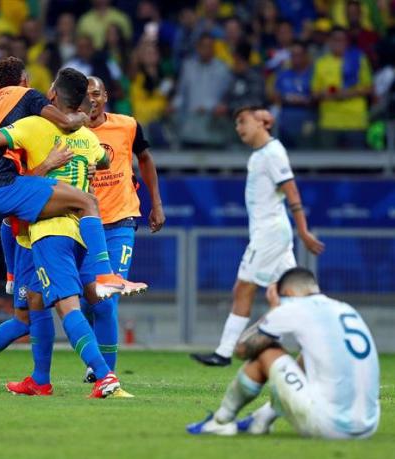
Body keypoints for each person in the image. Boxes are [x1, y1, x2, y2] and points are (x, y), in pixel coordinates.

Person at [0, 69, 125, 398]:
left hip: (48, 233)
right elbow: (106, 161)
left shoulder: (33, 125)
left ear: (51, 93)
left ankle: (106, 376)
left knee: (66, 308)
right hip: (81, 233)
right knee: (31, 309)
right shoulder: (88, 136)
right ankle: (38, 379)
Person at [0, 57, 146, 297]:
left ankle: (11, 276)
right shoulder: (33, 107)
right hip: (55, 228)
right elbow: (97, 151)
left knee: (30, 315)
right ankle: (105, 275)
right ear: (26, 81)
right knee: (87, 202)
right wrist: (81, 120)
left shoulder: (1, 109)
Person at [190, 106, 324, 367]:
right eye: (236, 123)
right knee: (292, 292)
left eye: (243, 121)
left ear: (263, 122)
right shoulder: (259, 155)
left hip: (270, 234)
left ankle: (224, 352)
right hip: (272, 232)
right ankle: (322, 342)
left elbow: (292, 192)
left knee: (243, 287)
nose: (239, 128)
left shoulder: (273, 153)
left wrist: (304, 231)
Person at [187, 267, 380, 439]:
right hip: (369, 425)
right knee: (308, 357)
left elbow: (242, 349)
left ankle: (221, 421)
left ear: (287, 292)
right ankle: (260, 419)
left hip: (330, 426)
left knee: (266, 351)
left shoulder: (295, 307)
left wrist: (274, 309)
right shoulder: (345, 308)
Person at [81, 76, 164, 381]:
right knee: (86, 300)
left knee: (106, 297)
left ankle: (105, 372)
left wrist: (156, 203)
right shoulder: (68, 131)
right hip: (82, 224)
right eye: (86, 95)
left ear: (105, 97)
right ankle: (97, 363)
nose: (92, 100)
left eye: (97, 94)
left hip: (120, 222)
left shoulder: (127, 125)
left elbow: (145, 158)